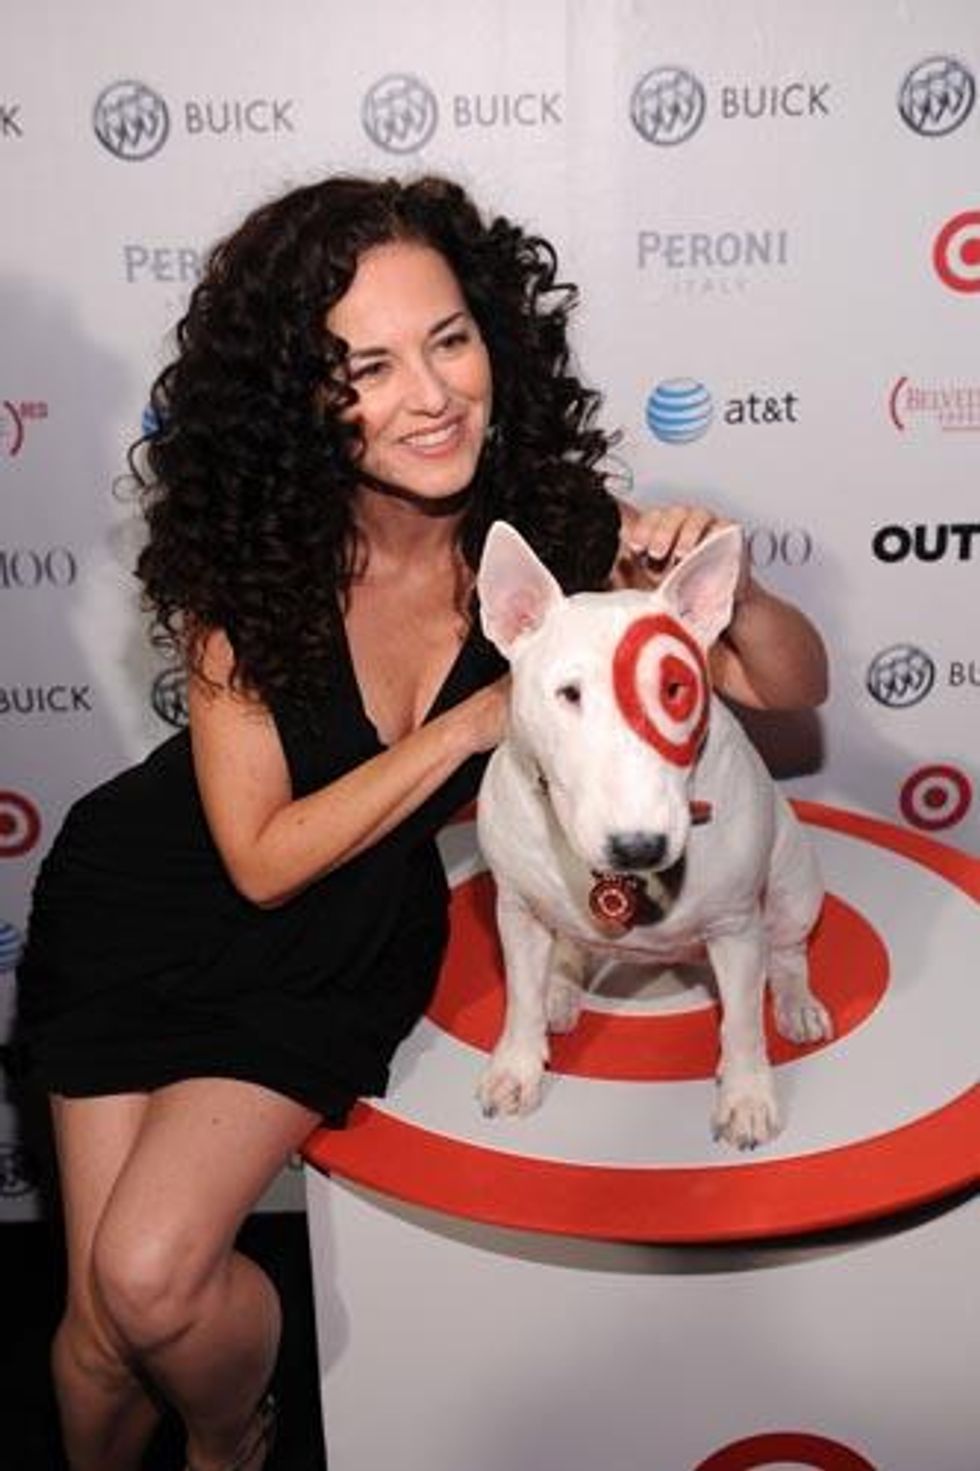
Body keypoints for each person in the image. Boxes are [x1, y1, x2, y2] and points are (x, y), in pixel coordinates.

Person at [15, 173, 828, 1471]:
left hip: (341, 937)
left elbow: (790, 690)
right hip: (147, 897)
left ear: (493, 332)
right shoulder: (250, 557)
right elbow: (261, 857)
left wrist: (719, 579)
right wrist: (470, 724)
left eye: (449, 339)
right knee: (100, 1332)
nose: (432, 392)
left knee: (152, 1282)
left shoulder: (555, 532)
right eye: (368, 366)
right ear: (299, 394)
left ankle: (233, 1439)